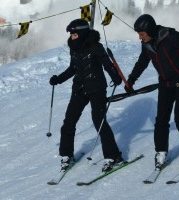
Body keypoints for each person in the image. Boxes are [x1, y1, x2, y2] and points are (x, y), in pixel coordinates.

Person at [125, 14, 179, 170]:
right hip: (165, 84)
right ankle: (161, 152)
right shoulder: (147, 44)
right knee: (161, 120)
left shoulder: (170, 37)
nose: (139, 37)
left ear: (149, 30)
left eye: (141, 34)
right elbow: (142, 62)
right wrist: (131, 80)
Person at [49, 19, 124, 173]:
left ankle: (113, 156)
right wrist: (59, 79)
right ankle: (66, 156)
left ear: (82, 33)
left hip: (97, 88)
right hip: (79, 89)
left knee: (99, 122)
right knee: (69, 122)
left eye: (74, 33)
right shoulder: (74, 48)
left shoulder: (95, 46)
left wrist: (115, 77)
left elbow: (107, 64)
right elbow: (73, 68)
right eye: (71, 34)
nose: (72, 36)